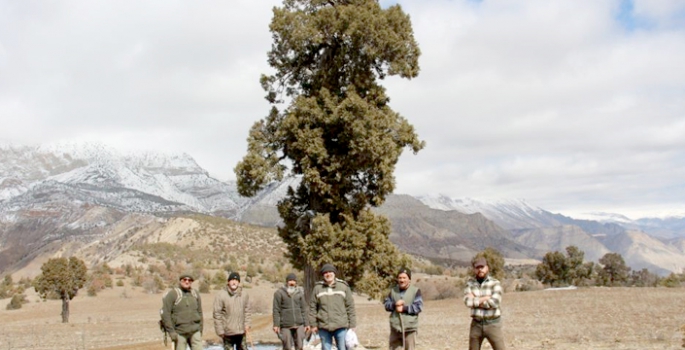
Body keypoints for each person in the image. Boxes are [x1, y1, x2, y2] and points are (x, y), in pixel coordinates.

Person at [309, 264, 356, 350]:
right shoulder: (318, 288)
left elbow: (350, 306)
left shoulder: (343, 287)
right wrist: (313, 325)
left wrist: (352, 324)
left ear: (334, 273)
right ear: (323, 275)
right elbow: (312, 308)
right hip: (324, 326)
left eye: (330, 272)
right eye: (325, 273)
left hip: (341, 325)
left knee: (342, 348)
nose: (328, 274)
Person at [463, 257, 505, 350]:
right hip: (476, 324)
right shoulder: (470, 284)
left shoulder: (495, 283)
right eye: (477, 267)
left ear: (487, 268)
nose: (480, 270)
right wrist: (486, 298)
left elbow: (495, 302)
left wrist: (475, 300)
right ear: (474, 269)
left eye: (482, 267)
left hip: (492, 323)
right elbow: (467, 302)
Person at [160, 272, 203, 350]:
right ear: (180, 281)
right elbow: (166, 314)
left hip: (195, 331)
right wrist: (171, 332)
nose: (187, 282)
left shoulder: (195, 294)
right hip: (179, 333)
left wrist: (200, 329)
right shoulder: (173, 294)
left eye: (189, 280)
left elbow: (200, 312)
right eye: (184, 279)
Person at [384, 268, 423, 350]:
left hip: (409, 328)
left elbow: (418, 307)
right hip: (395, 328)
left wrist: (404, 308)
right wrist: (395, 305)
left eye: (404, 278)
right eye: (400, 278)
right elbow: (386, 305)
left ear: (409, 279)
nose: (402, 280)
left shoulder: (415, 291)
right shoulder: (393, 291)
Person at [213, 272, 251, 350]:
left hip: (241, 332)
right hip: (227, 332)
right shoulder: (221, 295)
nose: (234, 282)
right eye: (232, 280)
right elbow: (217, 314)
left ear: (239, 282)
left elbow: (247, 311)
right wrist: (220, 331)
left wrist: (247, 324)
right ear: (228, 282)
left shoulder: (244, 295)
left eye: (236, 280)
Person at [273, 273, 309, 350]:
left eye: (293, 281)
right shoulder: (279, 293)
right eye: (290, 280)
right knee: (287, 347)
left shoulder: (300, 293)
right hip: (285, 325)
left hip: (299, 324)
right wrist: (276, 324)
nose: (292, 282)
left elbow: (303, 309)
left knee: (299, 346)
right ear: (286, 282)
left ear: (296, 282)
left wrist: (307, 324)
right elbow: (276, 310)